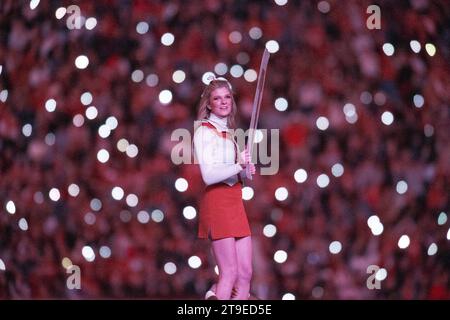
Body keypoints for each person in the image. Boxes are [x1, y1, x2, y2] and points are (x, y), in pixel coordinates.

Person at [193, 77, 256, 300]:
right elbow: (209, 176)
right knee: (229, 272)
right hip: (217, 201)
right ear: (209, 104)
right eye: (217, 98)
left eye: (227, 97)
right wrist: (238, 164)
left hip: (234, 199)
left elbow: (231, 171)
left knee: (246, 273)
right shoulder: (204, 132)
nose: (223, 102)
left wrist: (245, 170)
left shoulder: (229, 133)